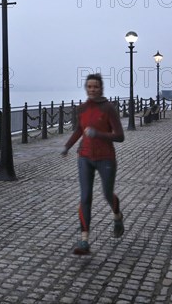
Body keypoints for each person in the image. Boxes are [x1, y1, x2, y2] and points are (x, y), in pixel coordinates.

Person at [61, 74, 125, 255]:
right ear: (85, 88)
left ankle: (117, 215)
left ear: (101, 88)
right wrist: (67, 146)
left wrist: (98, 134)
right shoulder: (81, 109)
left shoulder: (108, 108)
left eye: (95, 86)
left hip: (106, 157)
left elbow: (120, 136)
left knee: (106, 193)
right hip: (85, 157)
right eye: (89, 87)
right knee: (85, 197)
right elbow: (79, 130)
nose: (92, 90)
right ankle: (84, 240)